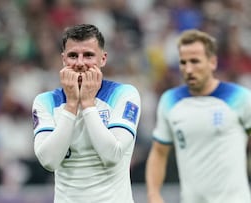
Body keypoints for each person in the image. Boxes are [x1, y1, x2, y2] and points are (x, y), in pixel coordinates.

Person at [32, 24, 141, 203]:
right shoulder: (45, 101)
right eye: (73, 55)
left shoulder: (125, 94)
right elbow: (49, 161)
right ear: (63, 60)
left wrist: (88, 104)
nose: (80, 63)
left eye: (89, 55)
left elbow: (112, 155)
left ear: (103, 59)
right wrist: (72, 104)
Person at [145, 29, 251, 203]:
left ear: (212, 62)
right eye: (183, 62)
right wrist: (153, 194)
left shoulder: (240, 97)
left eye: (195, 61)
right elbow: (159, 152)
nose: (188, 69)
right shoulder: (169, 101)